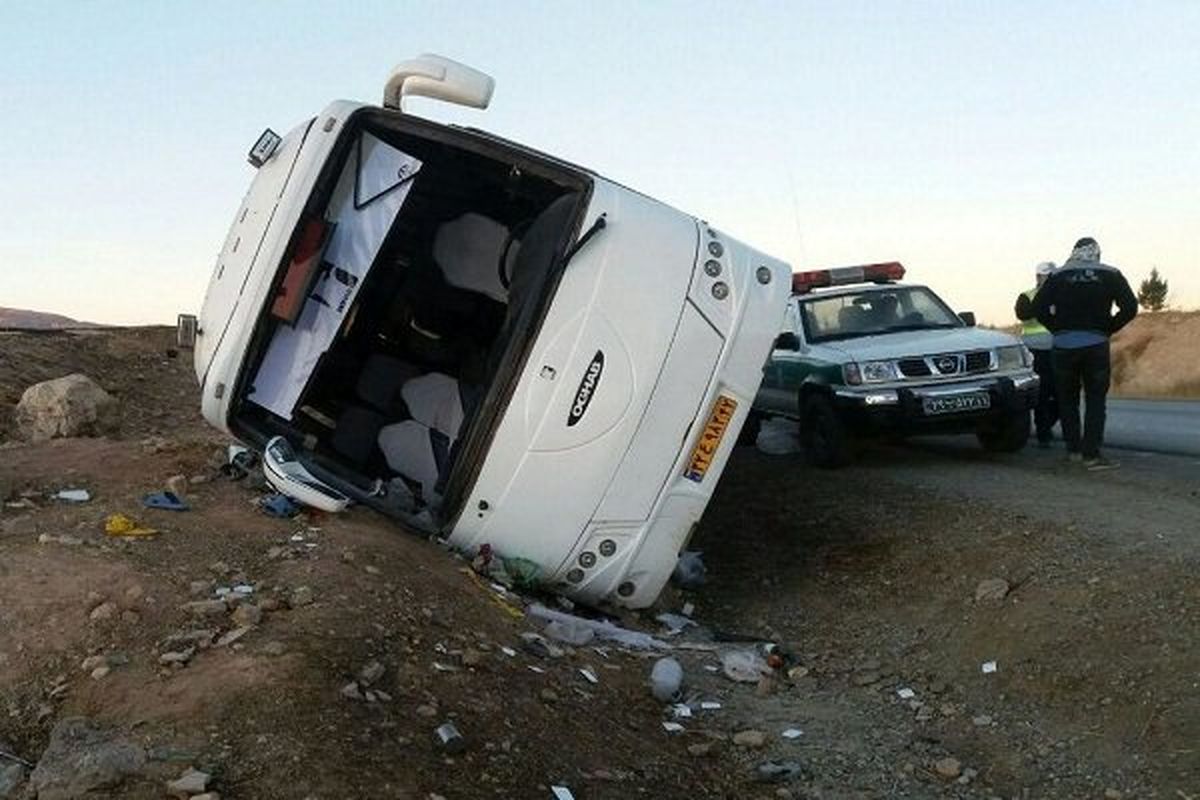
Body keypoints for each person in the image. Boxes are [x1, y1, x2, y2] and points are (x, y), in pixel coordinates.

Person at [1032, 237, 1138, 470]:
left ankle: (1073, 452)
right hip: (1095, 345)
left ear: (1073, 252)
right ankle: (1092, 454)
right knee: (1095, 400)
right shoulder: (1111, 274)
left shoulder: (1057, 276)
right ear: (1097, 253)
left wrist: (1057, 329)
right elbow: (1130, 307)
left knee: (1067, 399)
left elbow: (1037, 308)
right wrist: (1107, 328)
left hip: (1063, 347)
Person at [1014, 262, 1059, 447]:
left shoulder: (1062, 297)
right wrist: (1044, 306)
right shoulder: (1027, 296)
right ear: (1038, 277)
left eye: (1052, 277)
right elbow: (1023, 314)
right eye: (1047, 276)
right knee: (1042, 393)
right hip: (1035, 352)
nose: (1050, 280)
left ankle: (1047, 424)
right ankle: (1043, 433)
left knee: (1062, 393)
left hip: (1058, 350)